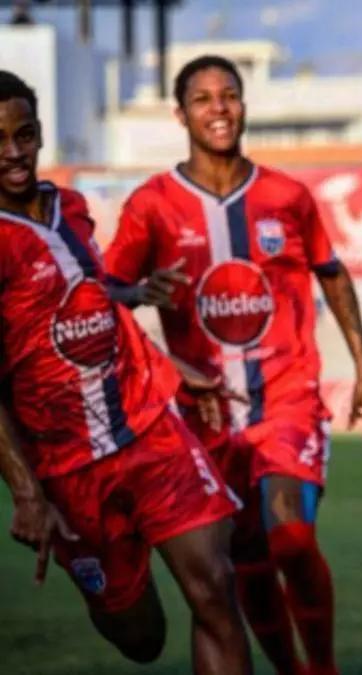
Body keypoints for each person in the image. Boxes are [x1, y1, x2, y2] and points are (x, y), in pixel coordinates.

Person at [104, 55, 362, 675]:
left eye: (229, 95)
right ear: (180, 115)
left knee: (292, 537)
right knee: (245, 563)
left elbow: (332, 273)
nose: (219, 108)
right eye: (202, 98)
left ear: (244, 105)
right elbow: (106, 293)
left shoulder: (287, 196)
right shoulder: (152, 205)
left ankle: (323, 668)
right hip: (204, 416)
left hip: (285, 398)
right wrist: (146, 307)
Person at [0, 70, 251, 674]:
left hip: (148, 429)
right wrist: (26, 491)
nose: (12, 152)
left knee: (215, 588)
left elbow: (84, 290)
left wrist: (139, 304)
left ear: (40, 134)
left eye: (23, 135)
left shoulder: (70, 207)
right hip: (68, 468)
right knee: (141, 638)